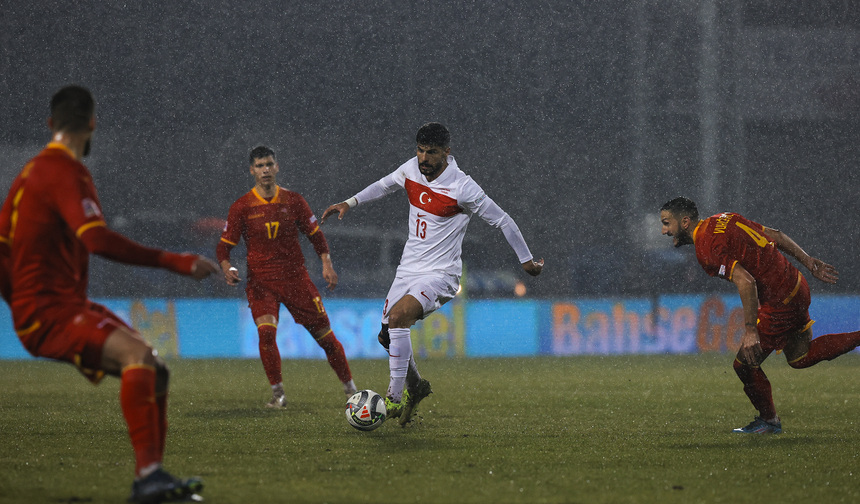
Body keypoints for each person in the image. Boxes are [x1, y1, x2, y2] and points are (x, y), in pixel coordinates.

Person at [0, 85, 218, 502]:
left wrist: (19, 311)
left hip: (53, 308)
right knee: (137, 357)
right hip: (52, 309)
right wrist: (177, 261)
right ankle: (148, 477)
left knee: (155, 370)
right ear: (92, 123)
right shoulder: (66, 172)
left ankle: (149, 481)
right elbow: (96, 240)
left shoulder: (29, 174)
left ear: (51, 124)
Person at [321, 122, 543, 426]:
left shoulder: (462, 187)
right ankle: (417, 387)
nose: (424, 158)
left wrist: (526, 260)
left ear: (447, 153)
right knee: (387, 335)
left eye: (432, 152)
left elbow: (502, 220)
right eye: (420, 150)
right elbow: (385, 184)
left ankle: (393, 399)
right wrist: (350, 202)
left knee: (399, 318)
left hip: (441, 274)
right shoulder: (412, 169)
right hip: (408, 269)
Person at [660, 196, 860, 434]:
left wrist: (750, 330)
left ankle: (769, 421)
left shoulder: (705, 247)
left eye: (666, 223)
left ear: (684, 222)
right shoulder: (724, 218)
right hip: (795, 283)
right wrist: (808, 262)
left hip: (780, 302)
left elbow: (746, 281)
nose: (663, 231)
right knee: (800, 357)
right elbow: (775, 235)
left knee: (744, 364)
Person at [216, 145, 356, 408]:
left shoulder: (294, 201)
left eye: (269, 164)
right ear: (252, 170)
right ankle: (278, 394)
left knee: (325, 337)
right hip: (261, 283)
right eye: (260, 165)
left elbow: (316, 236)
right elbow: (224, 246)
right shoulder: (242, 207)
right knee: (266, 335)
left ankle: (350, 389)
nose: (265, 169)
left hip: (295, 280)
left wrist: (326, 264)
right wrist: (226, 267)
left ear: (277, 167)